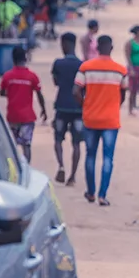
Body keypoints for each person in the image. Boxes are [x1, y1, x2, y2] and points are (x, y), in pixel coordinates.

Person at [73, 35, 128, 207]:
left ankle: (90, 192)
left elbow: (76, 91)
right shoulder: (120, 70)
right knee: (108, 158)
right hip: (111, 120)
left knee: (90, 156)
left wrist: (86, 105)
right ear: (111, 48)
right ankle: (102, 195)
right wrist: (114, 105)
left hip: (91, 118)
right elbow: (124, 94)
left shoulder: (86, 67)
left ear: (97, 49)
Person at [0, 46, 47, 163]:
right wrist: (43, 109)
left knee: (12, 146)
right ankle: (27, 169)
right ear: (25, 58)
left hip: (12, 117)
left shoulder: (7, 76)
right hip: (27, 117)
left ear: (13, 59)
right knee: (26, 145)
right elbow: (39, 94)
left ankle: (13, 170)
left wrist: (13, 93)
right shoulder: (32, 76)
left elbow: (2, 92)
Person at [52, 32, 84, 186]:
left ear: (64, 44)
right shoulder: (82, 65)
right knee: (76, 143)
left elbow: (56, 82)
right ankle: (72, 176)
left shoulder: (58, 63)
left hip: (61, 106)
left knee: (58, 139)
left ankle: (61, 166)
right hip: (78, 108)